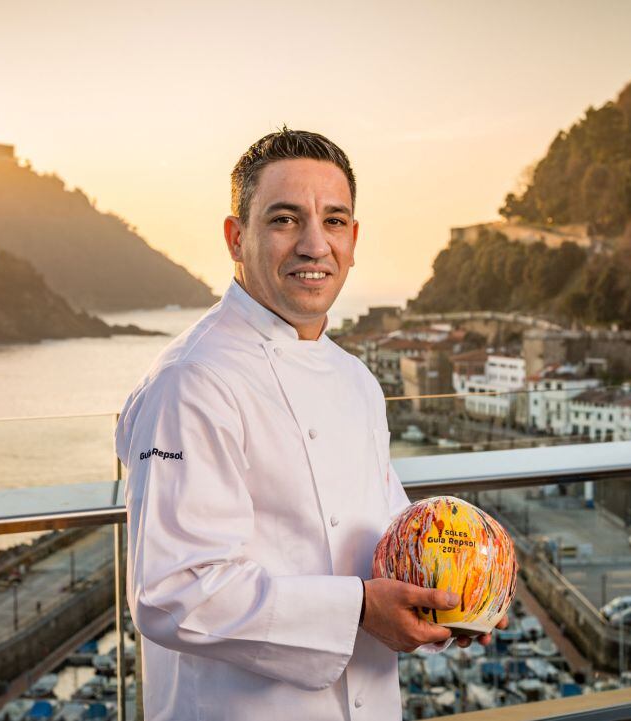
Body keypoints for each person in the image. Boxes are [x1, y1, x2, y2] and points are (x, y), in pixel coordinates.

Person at [116, 128, 503, 721]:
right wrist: (358, 611)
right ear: (235, 237)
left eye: (335, 220)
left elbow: (393, 535)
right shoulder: (191, 382)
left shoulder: (355, 379)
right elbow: (173, 592)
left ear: (353, 240)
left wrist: (456, 594)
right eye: (285, 219)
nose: (315, 245)